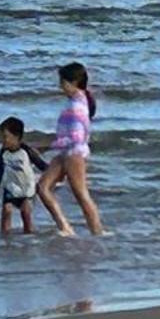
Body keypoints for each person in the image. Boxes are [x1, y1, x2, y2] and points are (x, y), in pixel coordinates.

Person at [36, 62, 105, 237]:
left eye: (63, 82)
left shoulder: (77, 106)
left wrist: (47, 146)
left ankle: (98, 232)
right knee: (43, 187)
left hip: (74, 154)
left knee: (81, 195)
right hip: (66, 152)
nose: (60, 86)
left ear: (74, 82)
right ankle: (65, 227)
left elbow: (76, 138)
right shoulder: (76, 101)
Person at [0, 116, 47, 234]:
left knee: (25, 212)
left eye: (5, 137)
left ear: (16, 137)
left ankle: (29, 236)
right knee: (6, 210)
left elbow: (41, 165)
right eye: (1, 137)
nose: (3, 140)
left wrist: (54, 175)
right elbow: (0, 168)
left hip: (27, 188)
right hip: (11, 187)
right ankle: (4, 236)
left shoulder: (26, 151)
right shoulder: (3, 152)